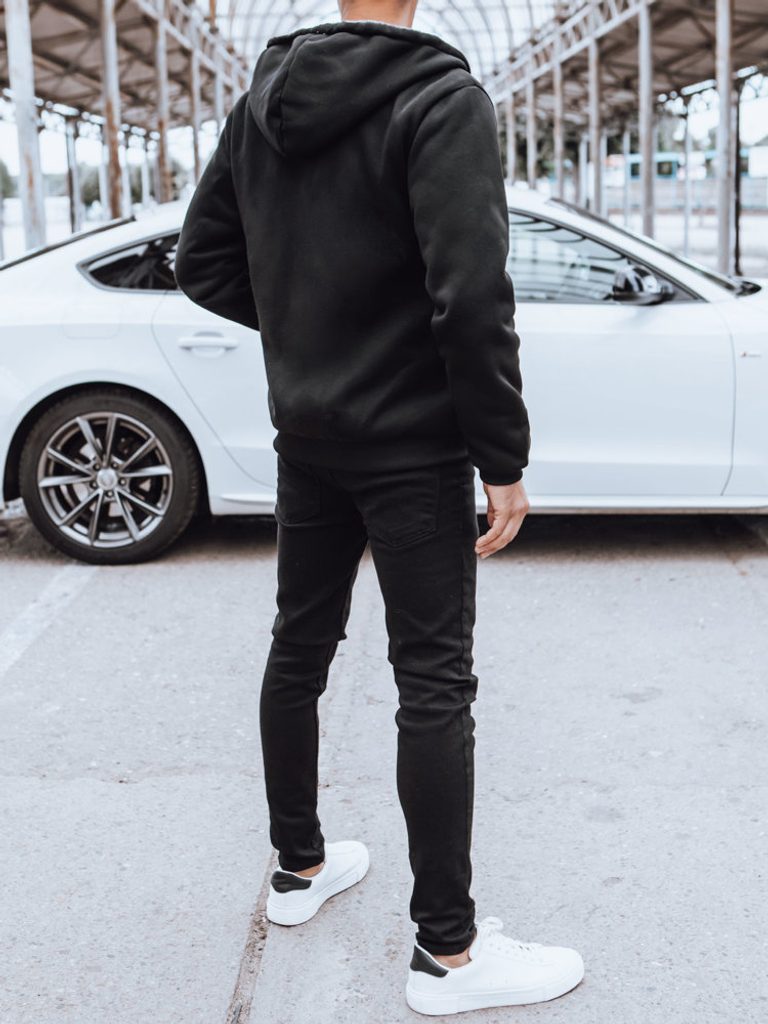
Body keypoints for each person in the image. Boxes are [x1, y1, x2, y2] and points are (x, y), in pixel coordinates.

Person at [174, 0, 584, 1014]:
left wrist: (311, 330)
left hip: (308, 438)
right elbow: (471, 294)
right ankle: (449, 953)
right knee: (433, 683)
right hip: (411, 446)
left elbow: (201, 263)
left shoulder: (260, 103)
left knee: (298, 646)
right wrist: (503, 456)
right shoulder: (442, 99)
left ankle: (299, 870)